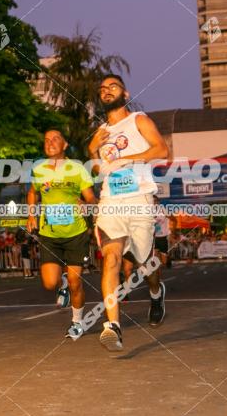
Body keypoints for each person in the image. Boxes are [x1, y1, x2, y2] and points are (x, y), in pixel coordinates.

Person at [87, 74, 169, 351]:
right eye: (102, 89)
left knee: (145, 263)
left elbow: (162, 149)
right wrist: (91, 148)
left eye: (113, 87)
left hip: (139, 199)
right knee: (110, 259)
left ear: (125, 92)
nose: (106, 91)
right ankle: (113, 327)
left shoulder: (139, 120)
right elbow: (100, 171)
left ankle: (156, 293)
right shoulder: (100, 132)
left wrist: (127, 159)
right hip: (111, 200)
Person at [26, 129, 97, 339]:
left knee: (76, 282)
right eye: (46, 140)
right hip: (49, 233)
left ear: (65, 145)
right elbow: (32, 192)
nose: (50, 143)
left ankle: (77, 322)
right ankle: (61, 284)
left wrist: (87, 204)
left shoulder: (77, 168)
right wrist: (31, 215)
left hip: (76, 232)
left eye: (55, 139)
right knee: (49, 283)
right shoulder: (38, 169)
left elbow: (91, 197)